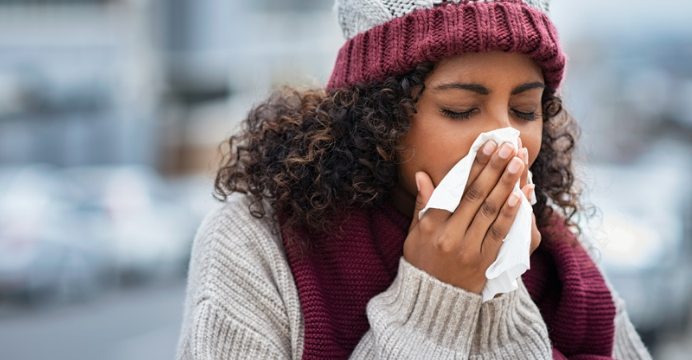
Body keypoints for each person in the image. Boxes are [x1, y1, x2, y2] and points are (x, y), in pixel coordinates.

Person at [176, 0, 652, 359]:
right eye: (460, 109)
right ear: (379, 116)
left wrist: (500, 289)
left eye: (525, 110)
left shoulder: (558, 256)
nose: (505, 141)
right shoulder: (256, 243)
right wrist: (436, 303)